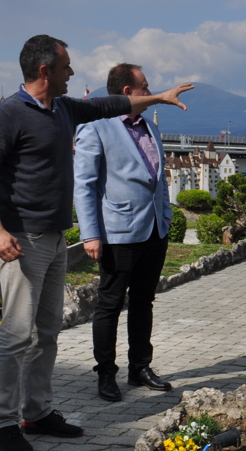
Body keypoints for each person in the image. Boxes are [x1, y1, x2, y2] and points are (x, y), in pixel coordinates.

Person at [0, 34, 192, 451]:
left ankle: (36, 413)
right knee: (16, 335)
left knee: (47, 333)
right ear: (44, 71)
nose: (72, 72)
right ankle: (2, 424)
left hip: (54, 239)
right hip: (22, 239)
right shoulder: (9, 114)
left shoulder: (64, 109)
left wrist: (159, 97)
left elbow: (111, 105)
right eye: (66, 66)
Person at [74, 64, 174, 402]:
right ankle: (105, 373)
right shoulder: (95, 126)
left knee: (144, 301)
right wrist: (90, 234)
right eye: (146, 86)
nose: (151, 91)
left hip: (154, 231)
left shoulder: (150, 126)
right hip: (117, 233)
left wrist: (167, 216)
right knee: (110, 304)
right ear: (128, 92)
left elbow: (157, 178)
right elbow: (84, 185)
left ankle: (139, 367)